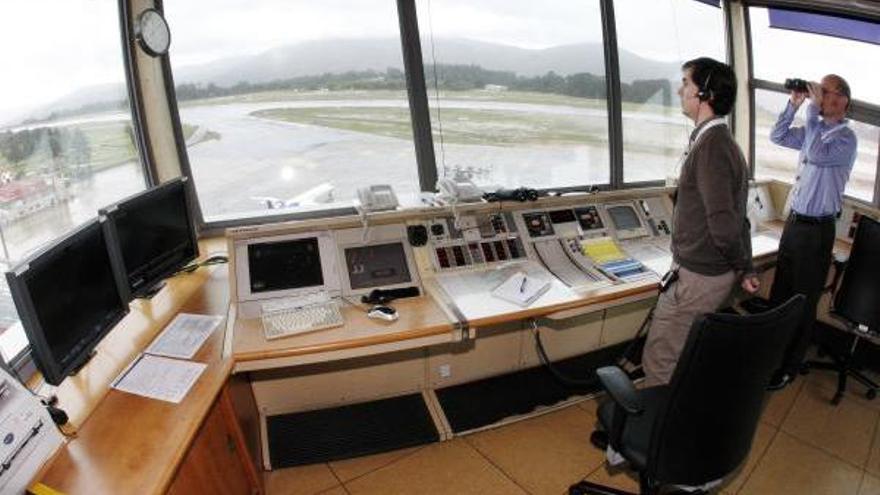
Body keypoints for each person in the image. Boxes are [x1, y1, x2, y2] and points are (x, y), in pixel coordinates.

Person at [641, 57, 758, 387]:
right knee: (680, 352)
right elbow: (739, 217)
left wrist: (742, 265)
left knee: (661, 357)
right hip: (707, 273)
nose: (680, 90)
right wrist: (745, 267)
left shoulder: (712, 148)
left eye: (686, 84)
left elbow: (723, 222)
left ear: (704, 94)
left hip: (698, 277)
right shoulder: (718, 142)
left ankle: (653, 432)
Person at [766, 74, 857, 390]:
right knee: (780, 293)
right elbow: (776, 136)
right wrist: (794, 105)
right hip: (794, 225)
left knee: (802, 303)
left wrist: (812, 110)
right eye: (819, 91)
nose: (820, 95)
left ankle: (788, 368)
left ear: (842, 100)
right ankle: (768, 357)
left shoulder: (846, 139)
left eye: (826, 91)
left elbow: (817, 153)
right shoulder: (812, 129)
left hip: (817, 232)